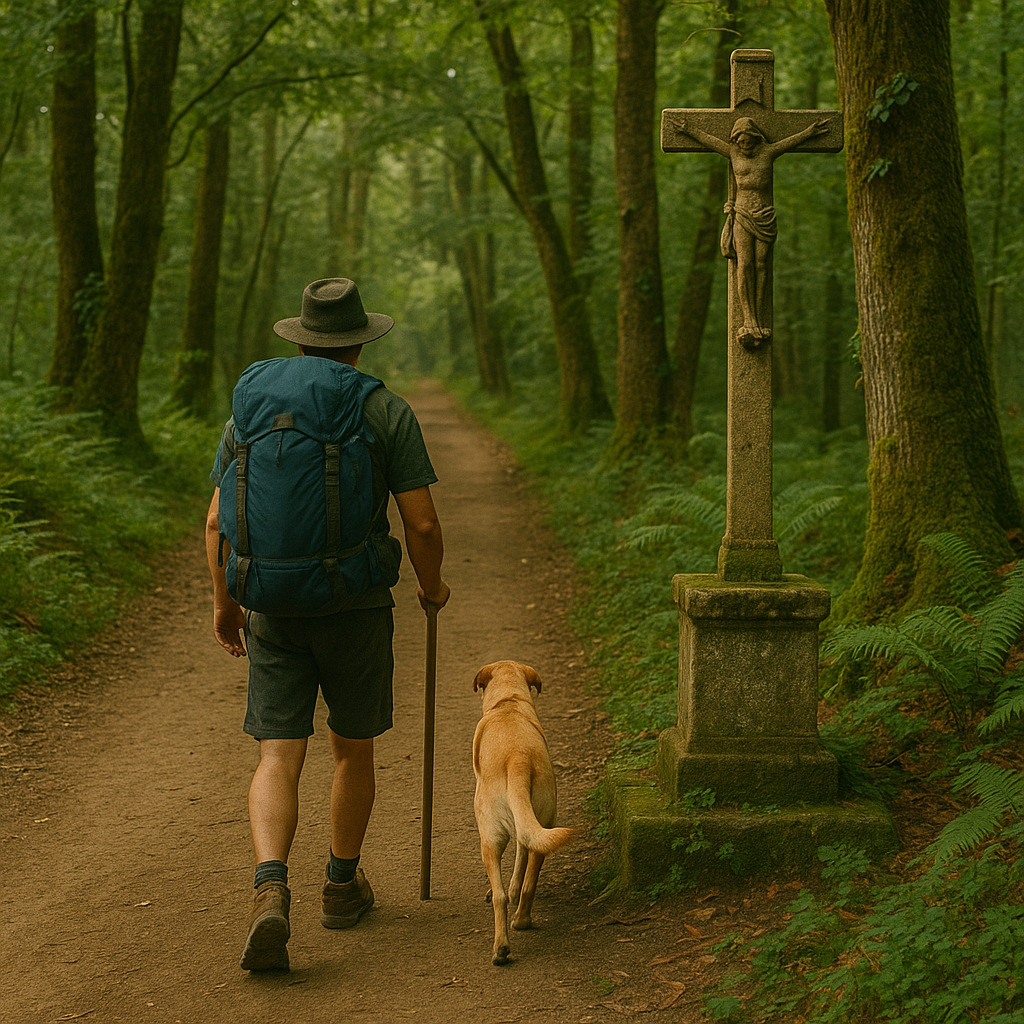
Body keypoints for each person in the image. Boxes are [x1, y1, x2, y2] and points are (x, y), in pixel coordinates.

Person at [205, 278, 451, 972]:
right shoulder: (383, 408)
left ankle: (269, 886)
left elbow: (218, 519)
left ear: (303, 339)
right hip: (355, 605)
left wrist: (227, 604)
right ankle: (342, 887)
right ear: (359, 343)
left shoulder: (251, 406)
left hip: (273, 605)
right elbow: (422, 523)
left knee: (277, 754)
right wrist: (432, 587)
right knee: (352, 749)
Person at [675, 114, 830, 344]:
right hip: (742, 214)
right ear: (736, 140)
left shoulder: (768, 152)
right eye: (741, 142)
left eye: (748, 142)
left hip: (764, 215)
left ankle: (758, 315)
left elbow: (789, 142)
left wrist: (810, 132)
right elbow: (710, 141)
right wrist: (689, 129)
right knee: (744, 264)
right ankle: (748, 319)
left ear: (756, 138)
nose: (745, 146)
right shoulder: (733, 153)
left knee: (761, 264)